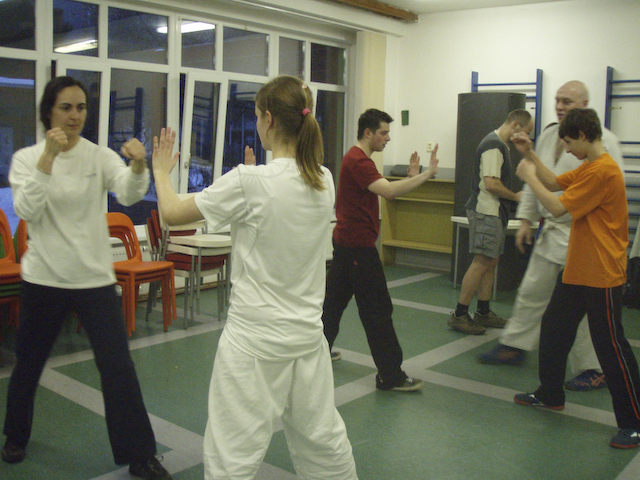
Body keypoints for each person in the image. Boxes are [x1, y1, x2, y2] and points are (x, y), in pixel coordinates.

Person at [152, 75, 358, 479]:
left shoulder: (250, 183)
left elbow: (172, 214)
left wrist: (160, 171)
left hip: (254, 344)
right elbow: (278, 219)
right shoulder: (323, 180)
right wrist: (249, 187)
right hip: (306, 340)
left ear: (268, 119)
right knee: (322, 443)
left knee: (232, 456)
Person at [2, 76, 171, 479]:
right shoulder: (27, 158)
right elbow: (27, 208)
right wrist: (48, 158)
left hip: (93, 281)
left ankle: (141, 456)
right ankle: (15, 436)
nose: (75, 115)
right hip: (44, 279)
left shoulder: (98, 156)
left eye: (81, 107)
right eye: (66, 107)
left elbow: (129, 193)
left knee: (118, 367)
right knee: (28, 364)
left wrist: (138, 164)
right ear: (49, 112)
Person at [479, 81, 624, 391]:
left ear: (584, 105)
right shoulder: (548, 135)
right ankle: (516, 345)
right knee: (532, 291)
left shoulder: (606, 145)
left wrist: (531, 174)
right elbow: (551, 181)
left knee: (584, 314)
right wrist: (526, 218)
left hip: (585, 238)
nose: (559, 106)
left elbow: (560, 199)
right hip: (552, 231)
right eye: (557, 100)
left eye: (567, 101)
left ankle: (592, 367)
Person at [513, 108, 640, 449]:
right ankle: (550, 393)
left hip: (602, 273)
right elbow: (555, 182)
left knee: (611, 348)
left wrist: (528, 177)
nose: (567, 150)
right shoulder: (590, 165)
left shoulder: (603, 171)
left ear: (583, 136)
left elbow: (556, 208)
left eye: (569, 143)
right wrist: (531, 155)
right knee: (554, 329)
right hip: (578, 270)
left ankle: (634, 422)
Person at [322, 108, 438, 392]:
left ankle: (317, 352)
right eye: (383, 133)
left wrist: (411, 177)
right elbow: (390, 192)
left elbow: (387, 189)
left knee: (333, 305)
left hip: (348, 245)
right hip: (358, 249)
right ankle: (390, 375)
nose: (388, 138)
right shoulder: (358, 161)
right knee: (377, 310)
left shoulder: (359, 160)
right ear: (368, 133)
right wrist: (427, 174)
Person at [449, 109, 533, 335]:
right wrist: (516, 197)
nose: (525, 138)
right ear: (515, 125)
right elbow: (491, 184)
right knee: (481, 261)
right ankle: (459, 314)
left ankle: (483, 312)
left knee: (490, 261)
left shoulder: (501, 145)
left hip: (494, 212)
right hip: (486, 211)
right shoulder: (494, 145)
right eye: (525, 132)